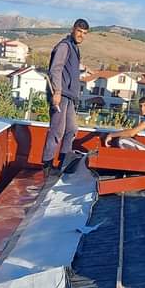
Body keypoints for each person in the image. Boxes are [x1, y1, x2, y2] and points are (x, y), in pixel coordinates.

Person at [45, 18, 89, 175]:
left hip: (69, 96)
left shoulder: (74, 48)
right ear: (73, 29)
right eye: (79, 31)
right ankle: (47, 166)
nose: (81, 35)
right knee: (57, 130)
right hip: (61, 94)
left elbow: (69, 70)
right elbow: (55, 69)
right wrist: (56, 92)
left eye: (84, 33)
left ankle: (64, 163)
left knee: (71, 129)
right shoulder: (65, 46)